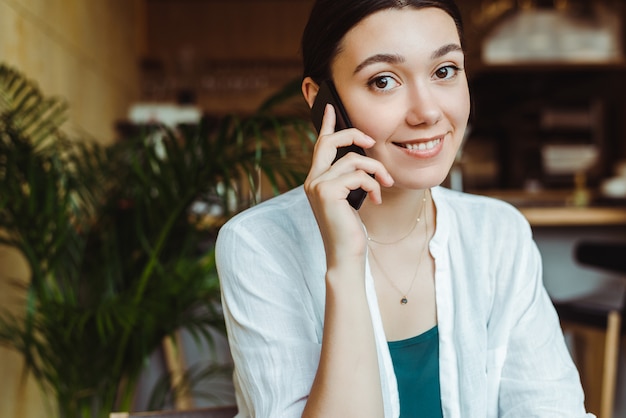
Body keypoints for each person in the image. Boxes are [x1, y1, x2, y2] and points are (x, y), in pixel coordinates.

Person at [216, 0, 593, 416]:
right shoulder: (258, 245)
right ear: (322, 102)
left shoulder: (498, 233)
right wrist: (345, 263)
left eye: (444, 71)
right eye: (383, 81)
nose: (428, 112)